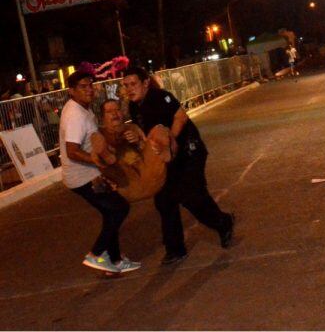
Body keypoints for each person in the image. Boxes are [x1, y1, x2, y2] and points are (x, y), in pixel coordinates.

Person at [123, 66, 234, 265]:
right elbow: (144, 134)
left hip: (188, 152)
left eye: (133, 84)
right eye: (126, 85)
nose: (129, 89)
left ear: (145, 82)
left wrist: (170, 140)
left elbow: (180, 117)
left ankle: (223, 222)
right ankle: (175, 249)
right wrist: (135, 137)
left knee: (192, 196)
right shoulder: (134, 106)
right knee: (164, 201)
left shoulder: (160, 97)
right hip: (165, 160)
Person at [59, 71, 140, 274]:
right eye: (82, 87)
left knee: (110, 212)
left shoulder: (82, 109)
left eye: (90, 85)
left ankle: (114, 262)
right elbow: (72, 151)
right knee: (120, 208)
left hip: (88, 173)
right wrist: (97, 161)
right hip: (82, 177)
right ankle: (96, 254)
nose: (88, 90)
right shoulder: (75, 115)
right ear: (71, 91)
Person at [91, 99, 172, 203]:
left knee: (159, 130)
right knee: (96, 139)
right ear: (103, 117)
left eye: (117, 109)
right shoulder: (101, 134)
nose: (115, 114)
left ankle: (166, 155)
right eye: (109, 111)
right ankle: (107, 155)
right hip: (125, 181)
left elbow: (148, 149)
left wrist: (138, 141)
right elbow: (95, 158)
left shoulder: (132, 127)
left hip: (146, 175)